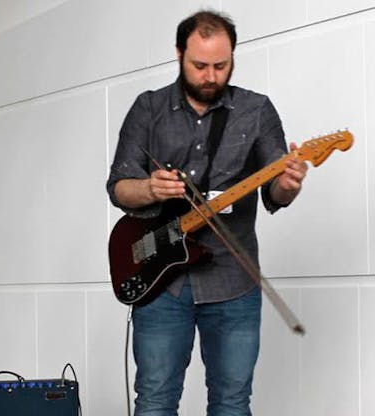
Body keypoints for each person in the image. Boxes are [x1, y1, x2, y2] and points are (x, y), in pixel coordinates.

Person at [106, 10, 308, 416]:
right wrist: (148, 188)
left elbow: (276, 189)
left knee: (232, 404)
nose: (211, 76)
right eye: (200, 65)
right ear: (179, 54)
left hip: (234, 282)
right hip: (161, 286)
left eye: (221, 65)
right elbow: (118, 187)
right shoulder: (148, 109)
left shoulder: (256, 111)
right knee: (155, 401)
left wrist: (287, 184)